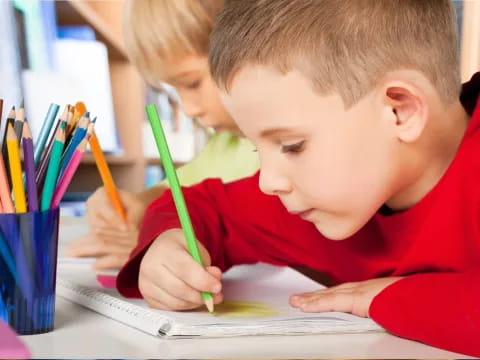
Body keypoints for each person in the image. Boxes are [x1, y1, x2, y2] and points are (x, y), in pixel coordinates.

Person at [116, 0, 480, 356]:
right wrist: (169, 248)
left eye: (291, 146)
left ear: (400, 110)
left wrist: (385, 298)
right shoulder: (314, 198)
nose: (267, 182)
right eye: (258, 149)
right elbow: (202, 206)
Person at [65, 0, 259, 270]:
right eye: (174, 89)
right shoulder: (226, 144)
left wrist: (152, 242)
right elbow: (175, 192)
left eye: (192, 83)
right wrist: (138, 203)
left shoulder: (288, 152)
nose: (189, 109)